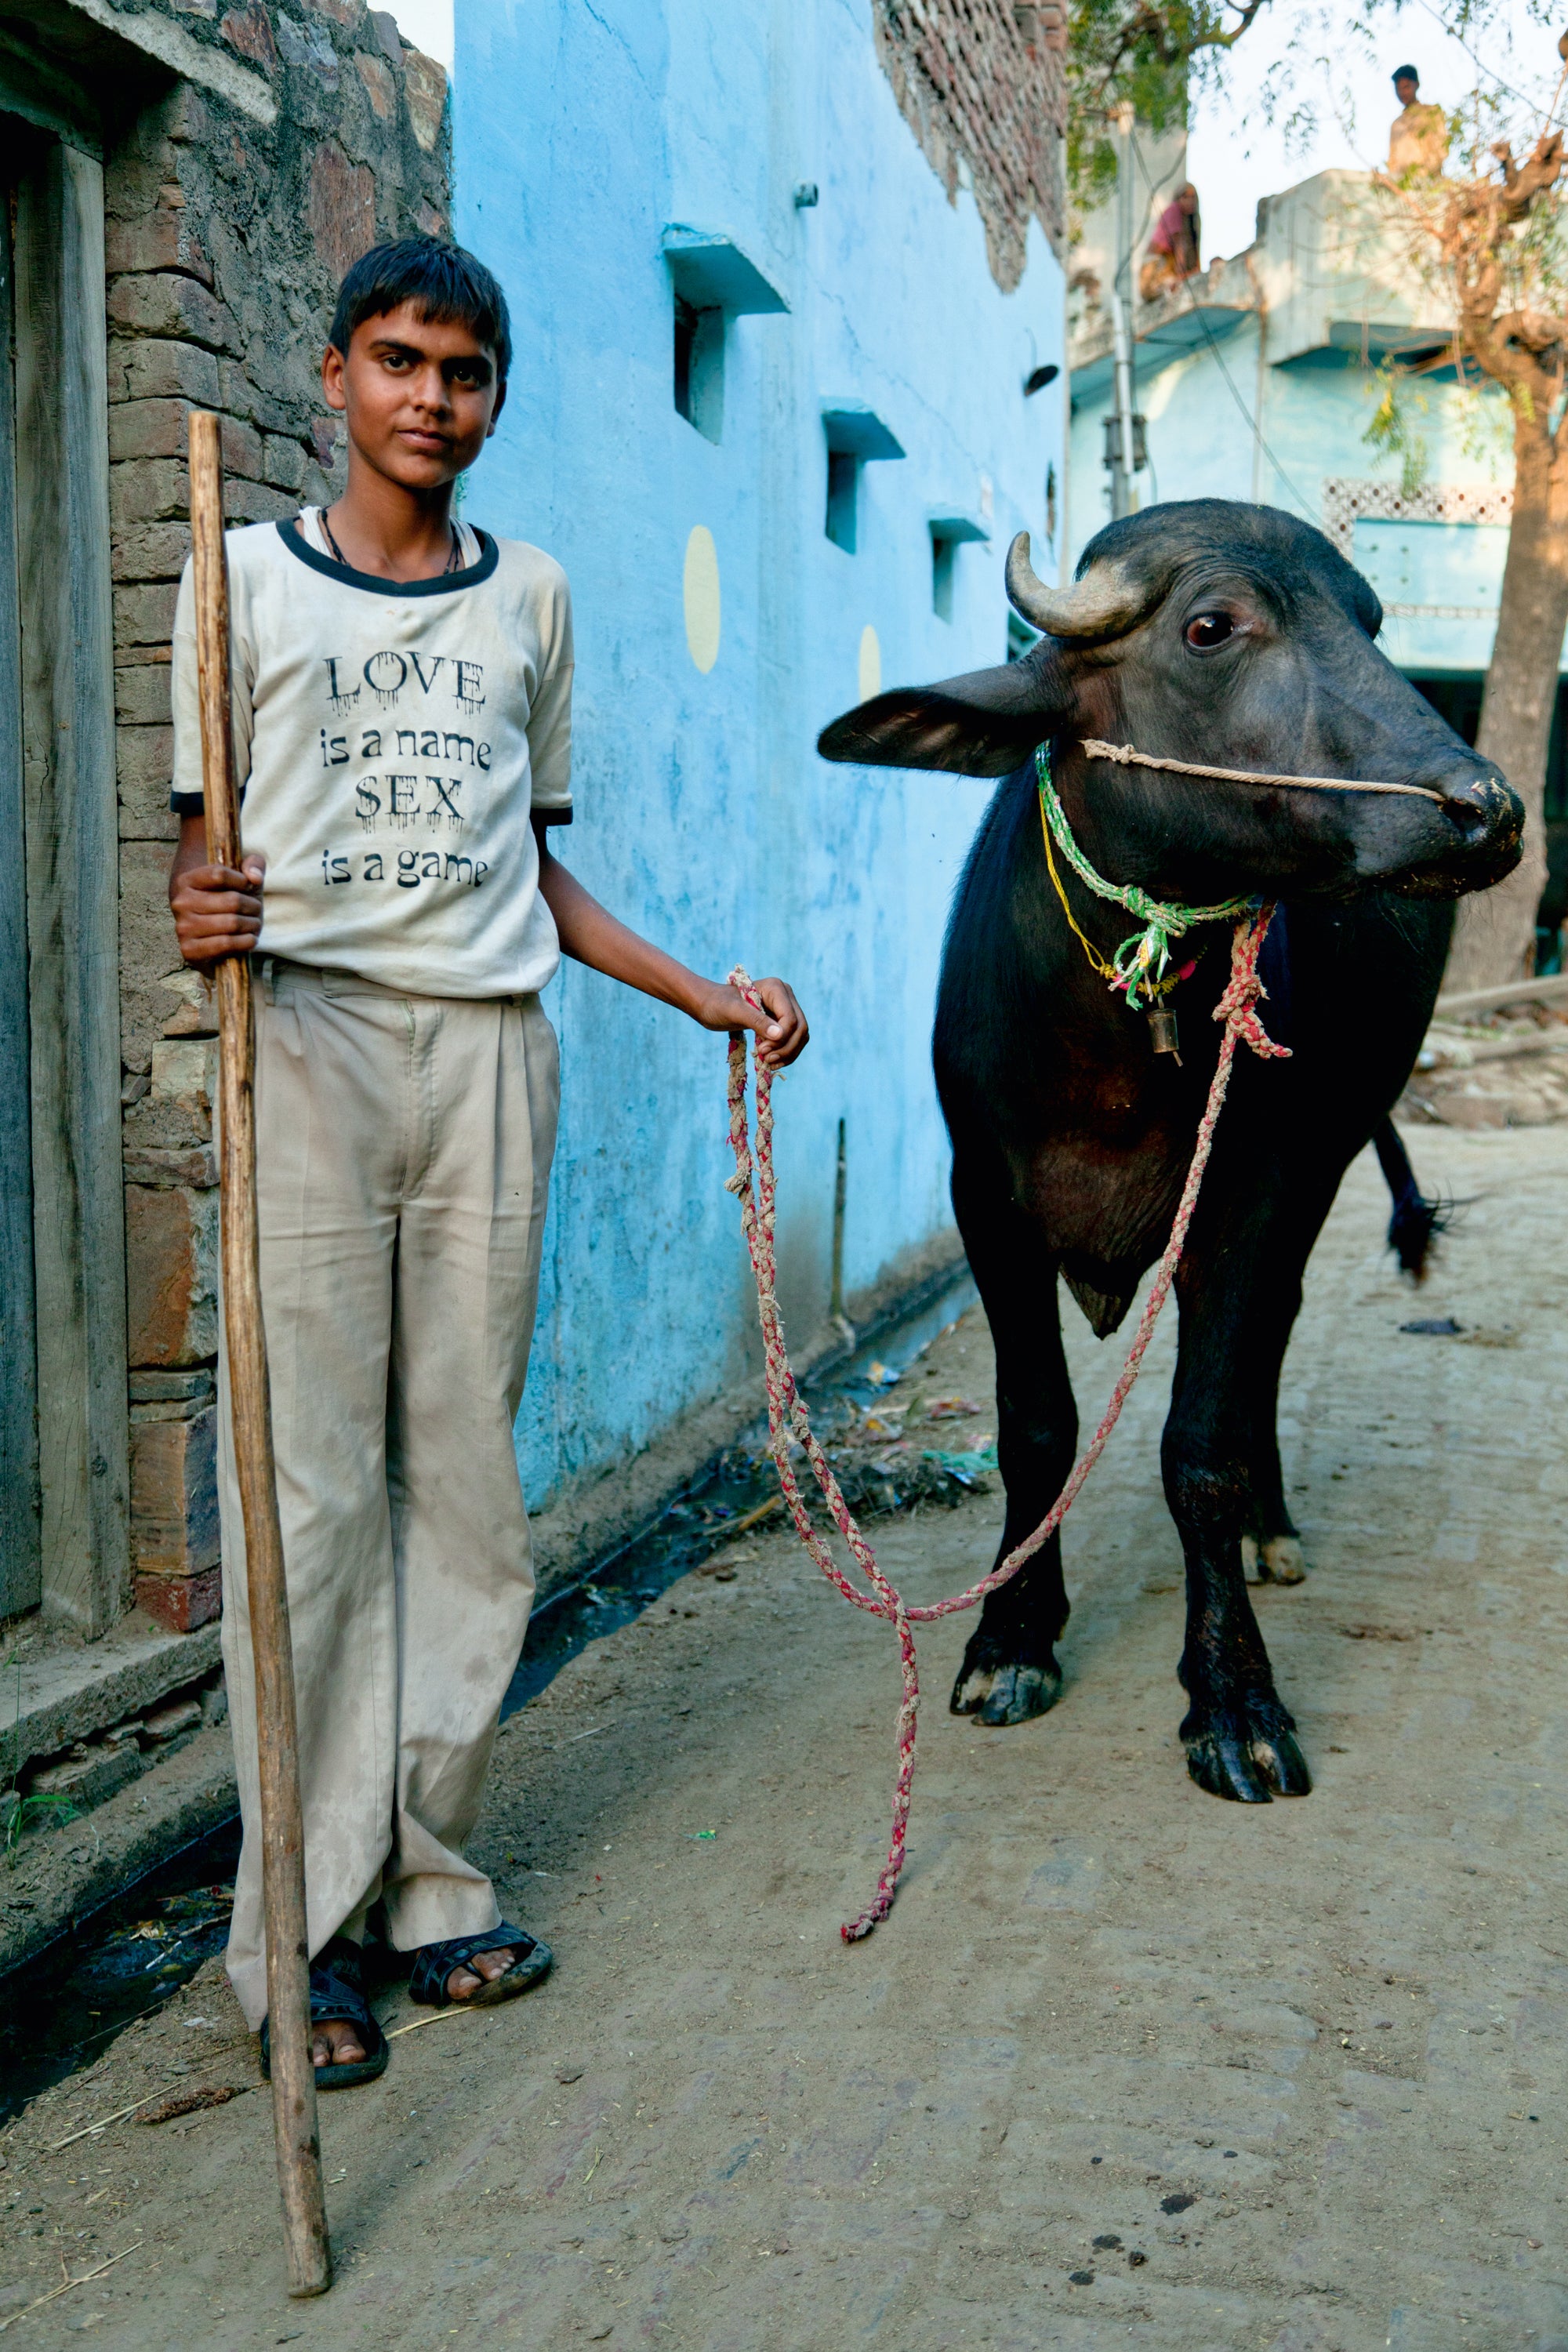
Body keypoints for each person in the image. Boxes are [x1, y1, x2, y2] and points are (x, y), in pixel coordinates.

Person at [167, 238, 809, 2087]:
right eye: (395, 359)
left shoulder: (527, 597)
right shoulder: (237, 584)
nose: (427, 395)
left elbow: (533, 867)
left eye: (461, 367)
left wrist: (699, 988)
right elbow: (196, 856)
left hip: (489, 1063)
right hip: (300, 1042)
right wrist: (197, 901)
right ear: (334, 372)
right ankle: (290, 1933)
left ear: (492, 393)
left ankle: (426, 1881)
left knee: (464, 1491)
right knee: (311, 1506)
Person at [1138, 183, 1201, 303]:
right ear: (1178, 198)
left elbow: (1194, 252)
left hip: (1168, 267)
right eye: (1185, 197)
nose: (1190, 201)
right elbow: (1179, 247)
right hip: (1155, 268)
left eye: (1193, 197)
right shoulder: (1174, 210)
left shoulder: (1191, 222)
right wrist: (1181, 275)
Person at [1388, 64, 1449, 176]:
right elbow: (1392, 162)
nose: (1402, 93)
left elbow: (1442, 148)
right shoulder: (1396, 125)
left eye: (1406, 87)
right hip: (1402, 186)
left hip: (1430, 182)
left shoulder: (1432, 113)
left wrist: (1428, 174)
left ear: (1416, 85)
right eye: (1398, 89)